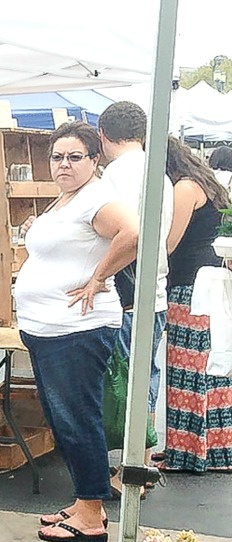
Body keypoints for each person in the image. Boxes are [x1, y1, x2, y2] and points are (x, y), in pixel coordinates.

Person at [14, 123, 139, 542]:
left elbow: (133, 234)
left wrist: (98, 278)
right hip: (48, 327)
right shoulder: (69, 198)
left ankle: (91, 513)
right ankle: (84, 499)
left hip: (76, 329)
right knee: (63, 419)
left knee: (77, 418)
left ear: (94, 160)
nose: (64, 165)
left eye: (74, 157)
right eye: (57, 157)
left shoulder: (100, 198)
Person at [98, 101, 173, 493]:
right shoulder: (161, 174)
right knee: (144, 376)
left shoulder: (115, 176)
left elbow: (125, 235)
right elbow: (163, 238)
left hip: (127, 291)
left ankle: (131, 466)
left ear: (102, 135)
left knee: (124, 380)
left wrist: (98, 275)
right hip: (154, 289)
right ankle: (139, 464)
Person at [159, 137, 231, 472]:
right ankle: (213, 448)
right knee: (208, 368)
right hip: (207, 283)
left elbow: (169, 243)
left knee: (187, 370)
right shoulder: (207, 184)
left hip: (188, 287)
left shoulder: (184, 189)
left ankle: (189, 451)